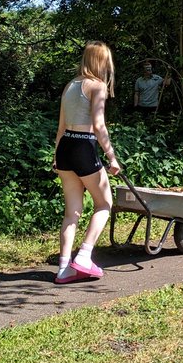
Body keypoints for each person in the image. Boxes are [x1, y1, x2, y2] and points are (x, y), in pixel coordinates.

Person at [52, 41, 122, 284]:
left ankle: (63, 269)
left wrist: (55, 156)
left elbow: (61, 126)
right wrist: (112, 158)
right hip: (83, 145)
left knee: (71, 212)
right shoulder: (98, 85)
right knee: (104, 203)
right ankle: (83, 256)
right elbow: (99, 125)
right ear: (103, 62)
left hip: (65, 148)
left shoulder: (70, 85)